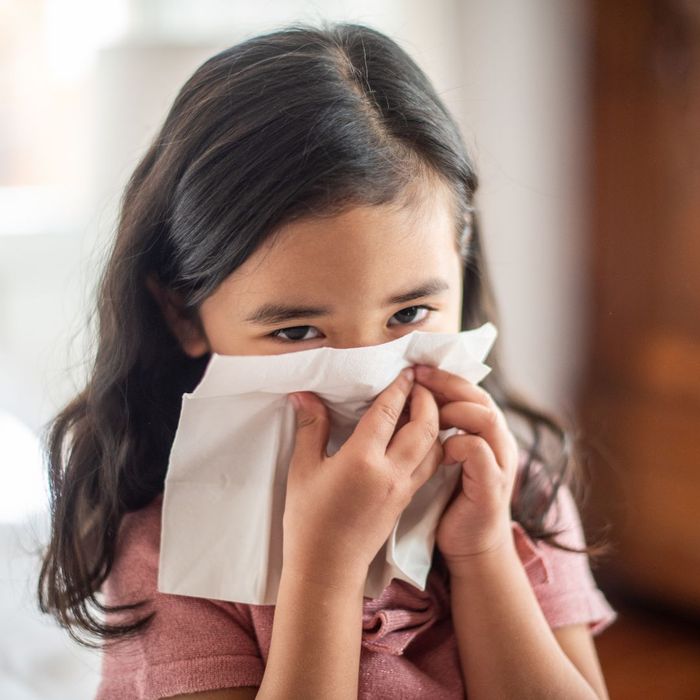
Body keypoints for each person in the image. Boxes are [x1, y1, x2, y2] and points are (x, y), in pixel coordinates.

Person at [36, 20, 618, 700]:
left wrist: (484, 554)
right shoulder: (172, 553)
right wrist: (324, 573)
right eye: (298, 332)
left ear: (460, 266)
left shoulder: (514, 487)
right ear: (182, 314)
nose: (371, 382)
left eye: (408, 316)